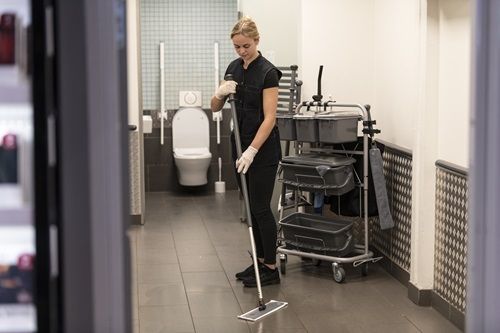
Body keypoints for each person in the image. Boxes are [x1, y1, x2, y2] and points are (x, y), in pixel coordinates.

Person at [210, 16, 282, 287]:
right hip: (238, 145)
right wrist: (219, 93)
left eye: (246, 46)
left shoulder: (268, 72)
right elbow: (215, 107)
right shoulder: (233, 68)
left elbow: (270, 118)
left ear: (257, 41)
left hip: (261, 150)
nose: (241, 51)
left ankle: (271, 268)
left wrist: (252, 150)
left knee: (261, 207)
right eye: (237, 46)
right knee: (250, 208)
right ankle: (260, 262)